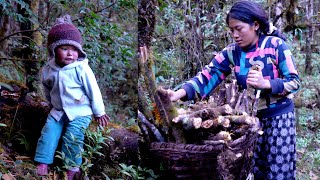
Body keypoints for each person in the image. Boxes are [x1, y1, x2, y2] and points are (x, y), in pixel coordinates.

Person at [167, 1, 300, 179]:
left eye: (239, 28)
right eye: (231, 30)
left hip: (279, 119)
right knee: (251, 171)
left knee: (278, 172)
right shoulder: (232, 52)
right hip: (250, 121)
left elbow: (294, 81)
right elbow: (208, 75)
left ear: (255, 25)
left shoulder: (275, 45)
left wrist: (266, 83)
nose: (235, 35)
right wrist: (177, 94)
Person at [34, 15, 109, 179]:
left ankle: (72, 168)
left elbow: (93, 90)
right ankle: (43, 162)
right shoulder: (48, 69)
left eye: (74, 49)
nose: (70, 54)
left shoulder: (81, 69)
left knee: (73, 137)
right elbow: (47, 89)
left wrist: (99, 112)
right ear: (54, 50)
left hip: (80, 111)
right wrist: (50, 104)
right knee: (48, 133)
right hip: (58, 110)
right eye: (65, 49)